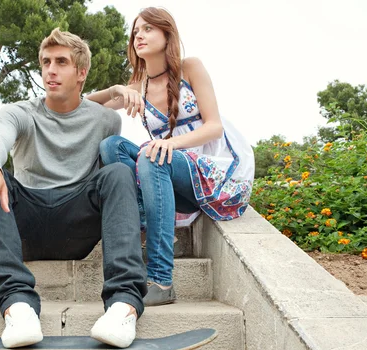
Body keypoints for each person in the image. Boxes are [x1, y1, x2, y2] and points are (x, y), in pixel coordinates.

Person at [0, 28, 147, 349]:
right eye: (46, 61)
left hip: (77, 224)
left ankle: (124, 305)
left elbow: (81, 107)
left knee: (118, 172)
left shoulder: (106, 120)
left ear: (81, 72)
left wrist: (113, 90)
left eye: (61, 62)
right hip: (27, 225)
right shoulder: (19, 112)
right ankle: (17, 305)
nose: (50, 69)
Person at [86, 7, 255, 306]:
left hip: (215, 172)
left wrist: (172, 143)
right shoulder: (139, 86)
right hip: (170, 173)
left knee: (152, 156)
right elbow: (86, 104)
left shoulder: (190, 67)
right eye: (136, 30)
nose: (139, 34)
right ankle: (147, 226)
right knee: (112, 146)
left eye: (148, 28)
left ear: (167, 34)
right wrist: (117, 89)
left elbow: (214, 127)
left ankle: (162, 280)